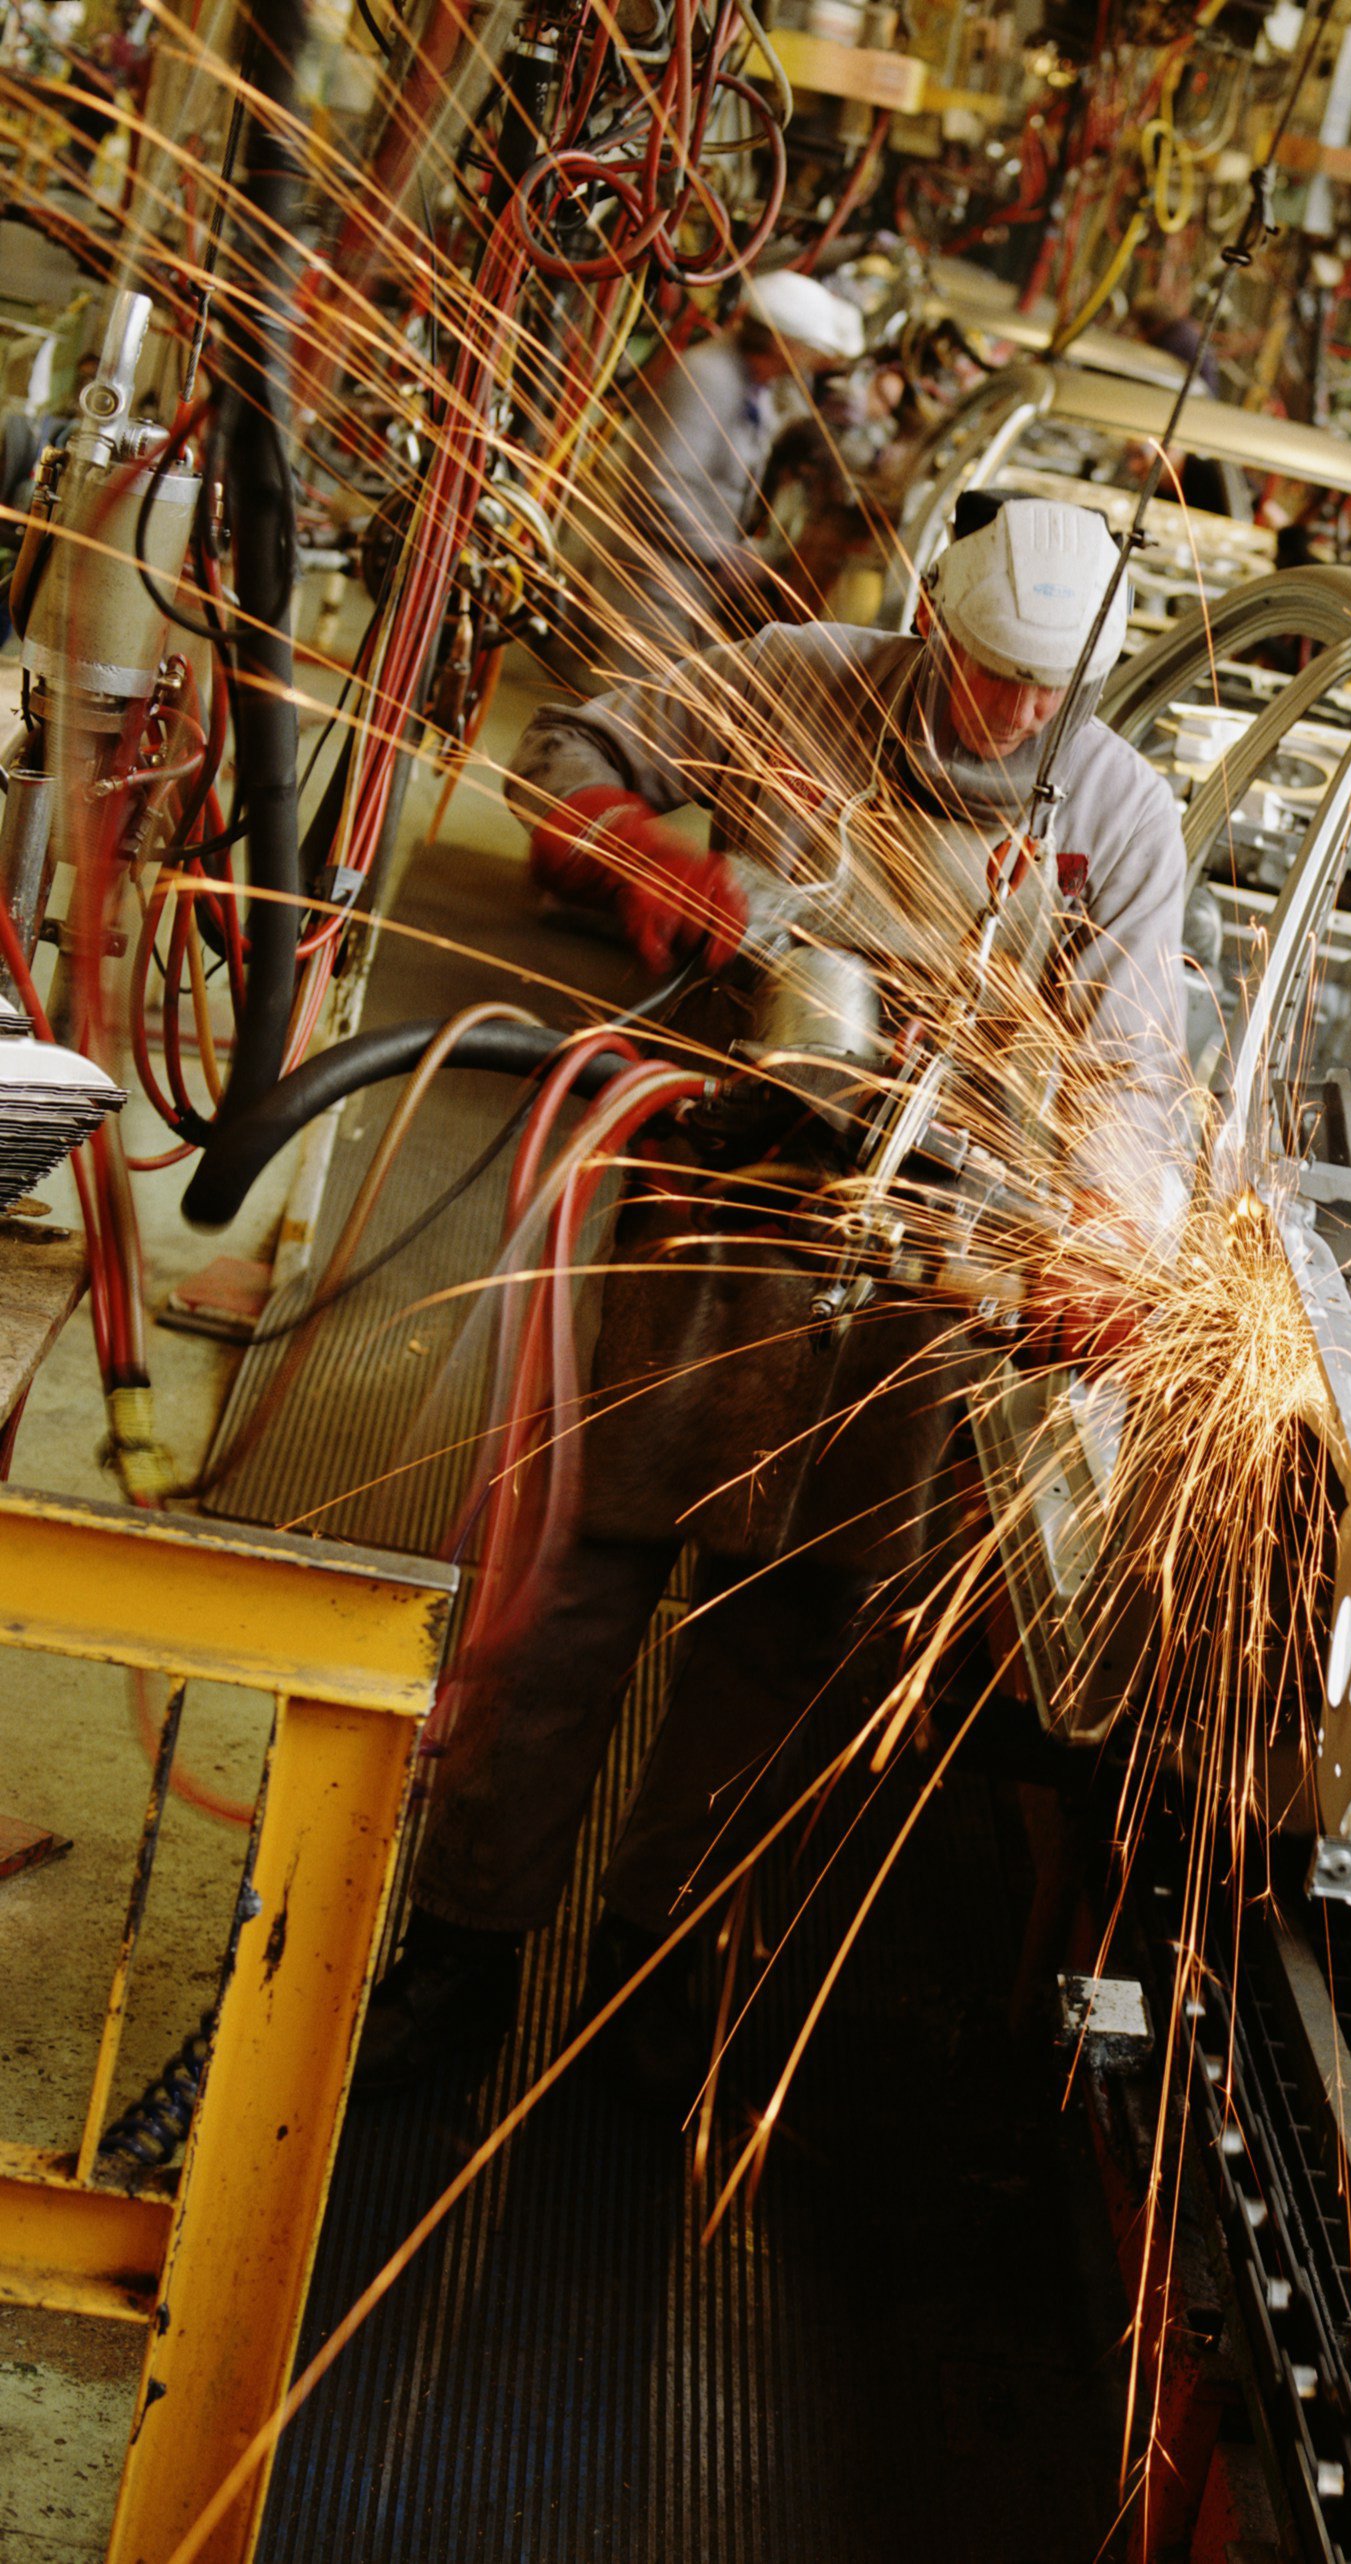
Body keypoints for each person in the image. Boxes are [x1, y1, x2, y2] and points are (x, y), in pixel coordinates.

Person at [356, 498, 1186, 2091]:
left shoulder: (1119, 815)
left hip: (918, 1266)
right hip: (718, 1189)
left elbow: (1134, 1079)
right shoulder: (805, 677)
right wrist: (639, 848)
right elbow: (572, 744)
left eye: (1047, 688)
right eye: (990, 670)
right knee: (580, 1584)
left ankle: (650, 1977)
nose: (1012, 712)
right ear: (932, 623)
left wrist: (1102, 1230)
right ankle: (461, 1952)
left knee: (794, 1625)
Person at [559, 266, 867, 674]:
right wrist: (721, 555)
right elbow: (658, 484)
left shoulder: (754, 385)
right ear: (782, 344)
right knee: (633, 708)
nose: (812, 363)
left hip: (688, 576)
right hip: (654, 575)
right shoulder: (706, 378)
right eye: (808, 351)